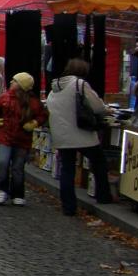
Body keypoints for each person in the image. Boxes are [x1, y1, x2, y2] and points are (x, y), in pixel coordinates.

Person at [46, 58, 113, 215]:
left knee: (67, 169)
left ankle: (68, 207)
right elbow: (96, 106)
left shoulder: (54, 88)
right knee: (99, 162)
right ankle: (103, 195)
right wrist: (106, 110)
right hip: (81, 133)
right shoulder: (79, 84)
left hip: (62, 135)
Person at [0, 72, 47, 206]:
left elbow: (42, 115)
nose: (11, 83)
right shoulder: (5, 97)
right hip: (5, 137)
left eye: (14, 81)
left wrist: (35, 123)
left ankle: (18, 193)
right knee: (3, 163)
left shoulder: (33, 101)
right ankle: (2, 190)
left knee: (17, 167)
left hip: (22, 139)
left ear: (21, 85)